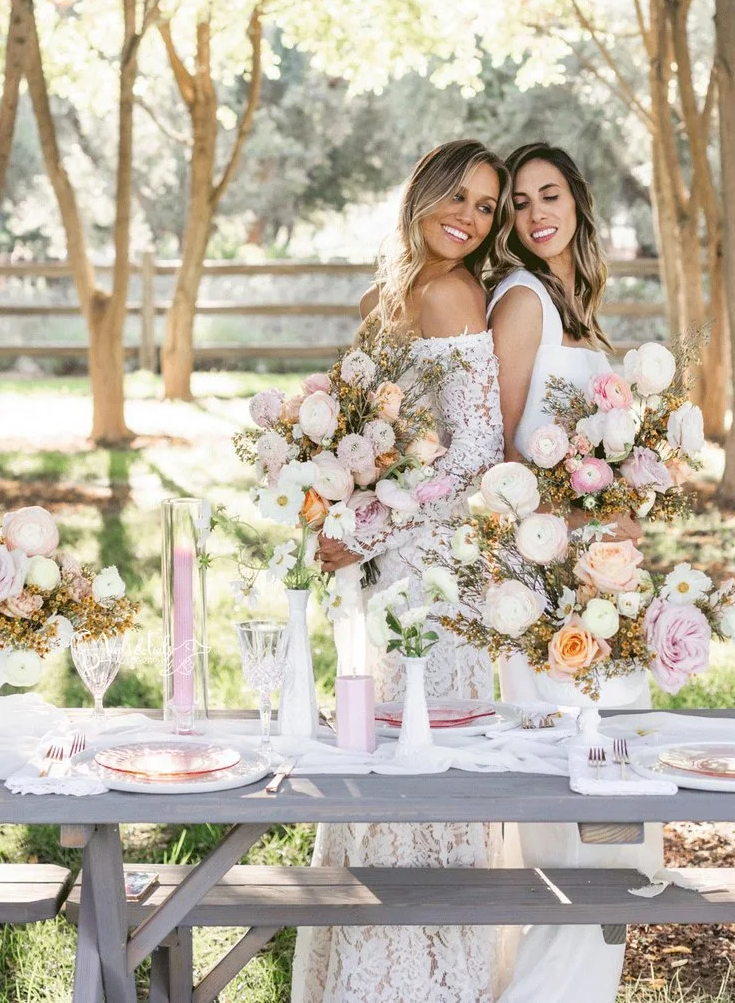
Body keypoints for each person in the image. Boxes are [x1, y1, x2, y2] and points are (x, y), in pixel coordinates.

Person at [293, 138, 508, 1003]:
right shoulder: (385, 297)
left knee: (421, 769)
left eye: (487, 207)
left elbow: (478, 453)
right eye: (458, 195)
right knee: (372, 766)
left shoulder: (455, 293)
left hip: (430, 575)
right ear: (419, 191)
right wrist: (332, 508)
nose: (470, 215)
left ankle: (422, 980)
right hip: (377, 571)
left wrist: (371, 522)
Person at [485, 140, 660, 1003]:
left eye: (547, 195)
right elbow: (500, 461)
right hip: (547, 592)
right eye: (517, 204)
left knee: (621, 839)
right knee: (573, 837)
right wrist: (589, 515)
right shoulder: (522, 303)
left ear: (577, 202)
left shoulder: (579, 311)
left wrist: (631, 497)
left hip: (604, 582)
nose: (534, 214)